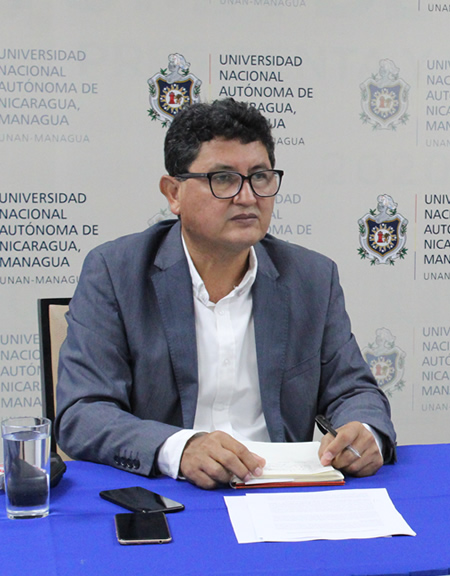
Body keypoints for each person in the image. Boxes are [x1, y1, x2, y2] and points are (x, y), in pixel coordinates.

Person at [55, 98, 396, 488]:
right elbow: (82, 412)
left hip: (282, 491)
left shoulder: (312, 277)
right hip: (170, 492)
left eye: (260, 177)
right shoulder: (115, 272)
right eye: (223, 179)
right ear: (174, 193)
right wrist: (181, 448)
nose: (248, 197)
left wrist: (366, 431)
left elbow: (354, 389)